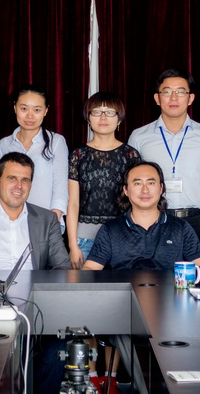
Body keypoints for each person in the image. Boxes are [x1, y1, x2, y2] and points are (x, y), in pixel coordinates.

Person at [128, 69, 200, 252]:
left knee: (197, 270)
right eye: (167, 91)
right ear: (157, 98)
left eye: (180, 92)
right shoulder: (139, 137)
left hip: (195, 221)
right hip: (153, 220)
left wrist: (197, 206)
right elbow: (132, 180)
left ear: (190, 98)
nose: (174, 97)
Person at [83, 161, 200, 272]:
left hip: (169, 293)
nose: (145, 190)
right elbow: (90, 269)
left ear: (161, 188)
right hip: (126, 293)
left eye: (151, 183)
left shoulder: (181, 227)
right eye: (137, 184)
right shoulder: (110, 229)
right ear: (126, 190)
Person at [67, 91, 140, 269]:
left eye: (109, 112)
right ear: (88, 118)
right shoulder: (78, 155)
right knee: (84, 286)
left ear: (119, 119)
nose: (103, 117)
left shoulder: (130, 155)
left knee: (123, 285)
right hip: (84, 240)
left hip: (123, 237)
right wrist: (73, 245)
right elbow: (73, 203)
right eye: (97, 112)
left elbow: (136, 201)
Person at [0, 85, 69, 232]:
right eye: (24, 109)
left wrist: (52, 221)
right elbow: (2, 187)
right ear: (15, 107)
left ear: (46, 111)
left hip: (46, 223)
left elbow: (60, 186)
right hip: (10, 223)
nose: (30, 116)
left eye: (37, 110)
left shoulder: (56, 142)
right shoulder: (5, 144)